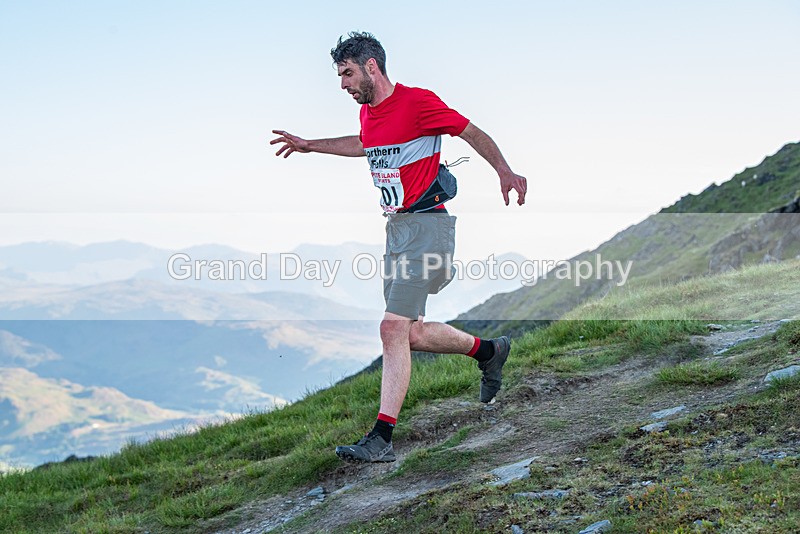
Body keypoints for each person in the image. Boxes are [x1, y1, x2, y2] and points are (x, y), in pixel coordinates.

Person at [270, 32, 527, 463]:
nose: (343, 84)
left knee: (391, 329)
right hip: (398, 231)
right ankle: (490, 351)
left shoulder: (418, 103)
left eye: (347, 73)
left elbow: (469, 131)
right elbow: (364, 144)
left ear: (371, 67)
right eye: (340, 76)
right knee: (411, 333)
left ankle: (381, 439)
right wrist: (311, 146)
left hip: (428, 226)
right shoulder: (369, 113)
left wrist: (504, 170)